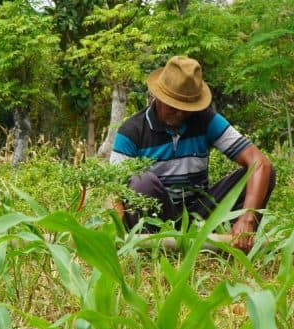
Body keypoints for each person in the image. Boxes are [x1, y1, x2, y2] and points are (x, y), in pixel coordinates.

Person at [110, 56, 275, 251]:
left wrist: (247, 219)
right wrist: (116, 235)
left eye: (185, 108)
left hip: (200, 214)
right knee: (141, 182)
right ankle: (153, 251)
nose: (180, 114)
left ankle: (236, 243)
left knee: (265, 171)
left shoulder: (206, 120)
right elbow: (113, 190)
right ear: (158, 97)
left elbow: (259, 163)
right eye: (174, 106)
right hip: (157, 220)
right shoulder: (132, 131)